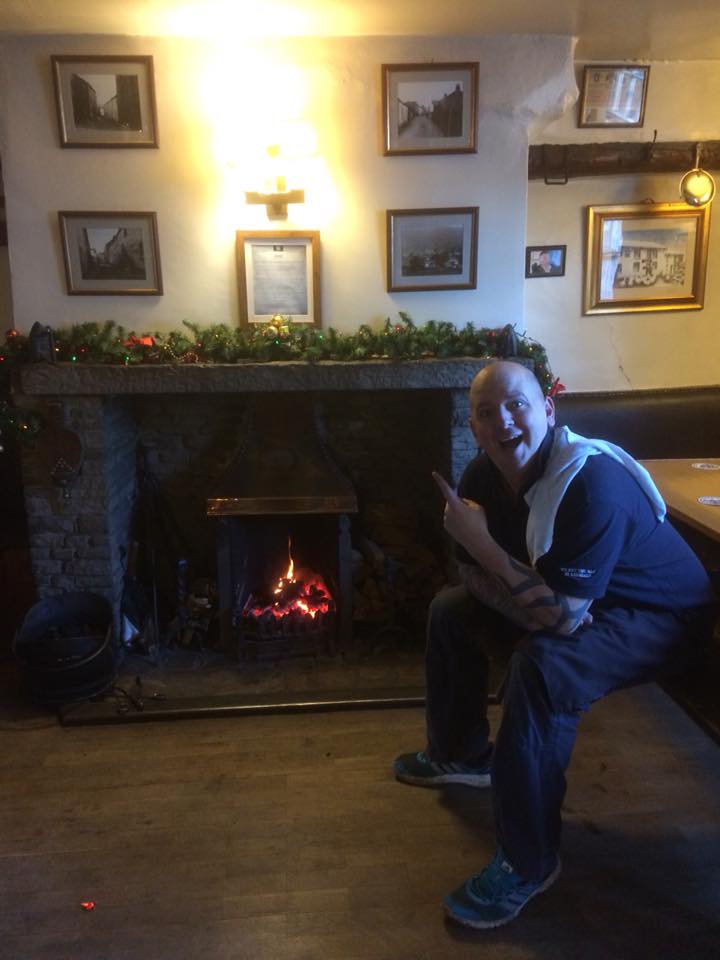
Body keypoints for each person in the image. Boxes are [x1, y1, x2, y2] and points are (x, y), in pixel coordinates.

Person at [393, 359, 717, 930]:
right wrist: (536, 607)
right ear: (473, 427)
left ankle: (528, 862)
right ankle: (459, 753)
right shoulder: (480, 478)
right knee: (450, 610)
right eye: (486, 411)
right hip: (576, 604)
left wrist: (496, 560)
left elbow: (551, 614)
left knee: (541, 667)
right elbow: (472, 578)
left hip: (662, 616)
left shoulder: (591, 485)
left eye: (516, 404)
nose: (503, 420)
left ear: (547, 409)